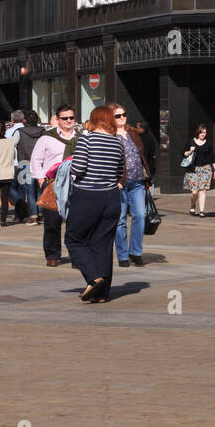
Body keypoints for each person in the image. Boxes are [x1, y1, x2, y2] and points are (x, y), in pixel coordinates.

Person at [64, 106, 127, 303]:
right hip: (111, 198)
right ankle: (101, 294)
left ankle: (94, 277)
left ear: (94, 120)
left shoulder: (87, 139)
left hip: (88, 196)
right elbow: (119, 174)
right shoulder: (118, 143)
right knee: (103, 244)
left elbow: (79, 167)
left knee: (74, 239)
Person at [30, 105, 81, 265]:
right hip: (52, 184)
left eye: (71, 118)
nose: (68, 121)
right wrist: (41, 182)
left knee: (76, 222)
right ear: (57, 120)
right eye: (64, 118)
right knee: (52, 222)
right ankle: (52, 255)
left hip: (76, 184)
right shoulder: (47, 138)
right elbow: (36, 160)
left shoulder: (81, 138)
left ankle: (76, 255)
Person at [111, 104, 151, 266]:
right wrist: (114, 180)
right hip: (120, 183)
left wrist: (147, 178)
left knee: (140, 215)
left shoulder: (133, 133)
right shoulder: (109, 135)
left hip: (138, 181)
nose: (122, 118)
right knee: (120, 220)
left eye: (124, 114)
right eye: (118, 116)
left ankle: (135, 251)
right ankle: (122, 255)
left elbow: (142, 155)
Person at [13, 109, 45, 224]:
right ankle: (41, 213)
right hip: (41, 163)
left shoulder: (19, 132)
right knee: (40, 189)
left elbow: (11, 144)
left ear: (24, 120)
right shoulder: (43, 131)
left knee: (29, 190)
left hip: (25, 164)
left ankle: (33, 216)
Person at [182, 124, 215, 217]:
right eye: (201, 132)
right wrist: (190, 151)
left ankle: (202, 211)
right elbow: (183, 153)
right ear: (198, 132)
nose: (203, 134)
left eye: (205, 133)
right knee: (194, 192)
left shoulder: (208, 143)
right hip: (193, 169)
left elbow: (212, 157)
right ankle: (192, 205)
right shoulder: (191, 142)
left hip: (206, 169)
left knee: (202, 190)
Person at [133, 120, 158, 194]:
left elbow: (144, 154)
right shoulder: (151, 138)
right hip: (150, 166)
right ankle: (149, 201)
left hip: (144, 167)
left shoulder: (140, 139)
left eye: (137, 127)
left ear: (142, 129)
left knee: (141, 186)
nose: (136, 129)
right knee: (150, 184)